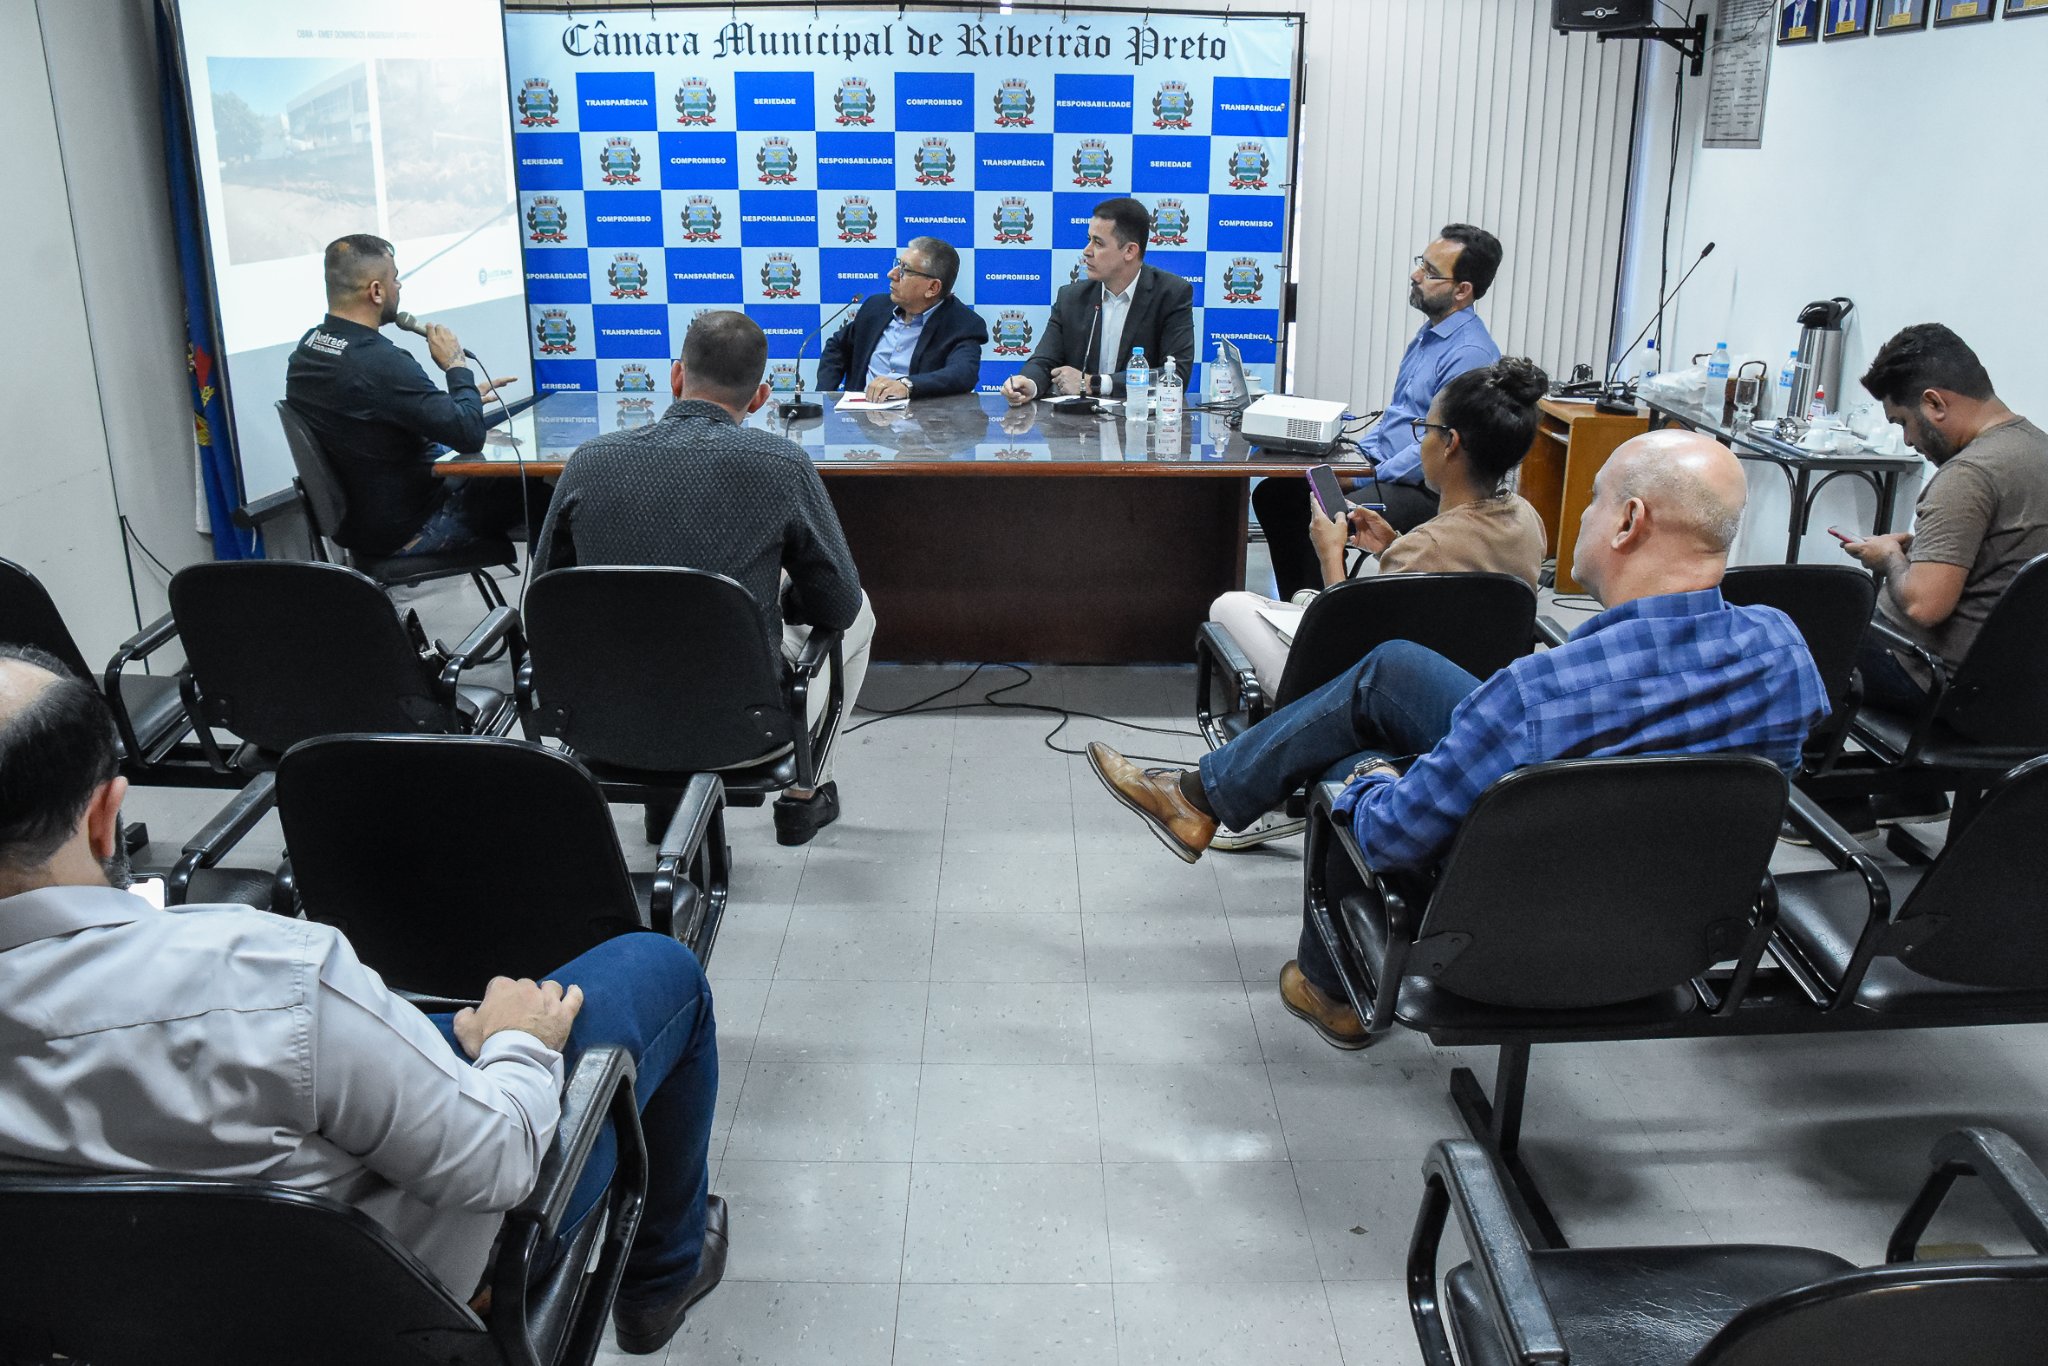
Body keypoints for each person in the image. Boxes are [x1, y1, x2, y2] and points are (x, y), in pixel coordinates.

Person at [0, 646, 723, 1355]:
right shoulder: (266, 978)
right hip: (390, 1306)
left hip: (113, 1317)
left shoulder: (263, 992)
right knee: (661, 970)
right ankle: (659, 1280)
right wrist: (520, 1044)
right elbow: (497, 1163)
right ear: (104, 815)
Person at [1086, 430, 1828, 1048]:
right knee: (1391, 671)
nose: (1585, 515)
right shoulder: (1787, 649)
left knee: (1351, 761)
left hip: (1517, 925)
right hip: (1671, 927)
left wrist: (1373, 775)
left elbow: (1385, 838)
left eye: (1595, 499)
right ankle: (1199, 798)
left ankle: (1333, 988)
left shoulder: (1535, 695)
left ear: (1629, 521)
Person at [533, 311, 874, 846]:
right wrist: (788, 599)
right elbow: (839, 606)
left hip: (597, 721)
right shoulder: (783, 465)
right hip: (742, 731)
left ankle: (661, 796)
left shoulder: (588, 459)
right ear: (760, 398)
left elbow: (543, 598)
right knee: (864, 610)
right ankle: (805, 794)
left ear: (675, 376)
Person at [1201, 357, 1552, 851]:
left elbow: (1347, 657)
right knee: (1296, 605)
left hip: (1379, 694)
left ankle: (1271, 784)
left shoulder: (1426, 546)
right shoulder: (1526, 520)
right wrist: (1389, 548)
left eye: (1424, 429)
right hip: (1472, 687)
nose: (1420, 440)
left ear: (1450, 443)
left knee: (1230, 606)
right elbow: (1454, 587)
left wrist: (1330, 556)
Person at [1253, 225, 1506, 599]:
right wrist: (1353, 456)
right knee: (1277, 492)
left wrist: (1358, 479)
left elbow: (1438, 445)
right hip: (1387, 471)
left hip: (1423, 489)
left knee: (1300, 509)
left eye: (1430, 271)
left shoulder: (1469, 353)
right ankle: (1304, 602)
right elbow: (1399, 418)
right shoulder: (1429, 335)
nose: (1416, 275)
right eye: (1421, 263)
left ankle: (1315, 612)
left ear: (1462, 290)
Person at [1836, 324, 2048, 716]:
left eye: (1901, 422)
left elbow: (1923, 606)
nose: (1908, 441)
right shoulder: (2038, 449)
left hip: (1935, 681)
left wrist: (1890, 558)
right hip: (2024, 691)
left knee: (1801, 635)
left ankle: (1781, 773)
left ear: (1934, 404)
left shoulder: (1968, 475)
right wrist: (1928, 553)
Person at [284, 234, 533, 558]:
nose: (399, 286)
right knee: (539, 490)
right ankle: (562, 602)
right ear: (376, 290)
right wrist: (457, 366)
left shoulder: (309, 348)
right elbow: (469, 436)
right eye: (395, 278)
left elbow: (374, 416)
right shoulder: (380, 363)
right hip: (413, 530)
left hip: (360, 529)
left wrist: (450, 403)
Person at [1000, 197, 1195, 406]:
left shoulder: (1171, 294)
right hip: (1078, 429)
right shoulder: (1071, 297)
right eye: (1089, 239)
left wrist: (1095, 383)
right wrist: (1029, 383)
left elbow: (1176, 374)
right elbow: (1044, 360)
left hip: (1140, 426)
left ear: (1129, 251)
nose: (1087, 251)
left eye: (1098, 243)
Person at [815, 236, 987, 401]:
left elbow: (962, 373)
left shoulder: (964, 324)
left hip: (920, 425)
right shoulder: (875, 307)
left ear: (933, 287)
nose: (892, 274)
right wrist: (825, 395)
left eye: (905, 270)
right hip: (862, 422)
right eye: (897, 264)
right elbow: (837, 345)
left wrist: (907, 386)